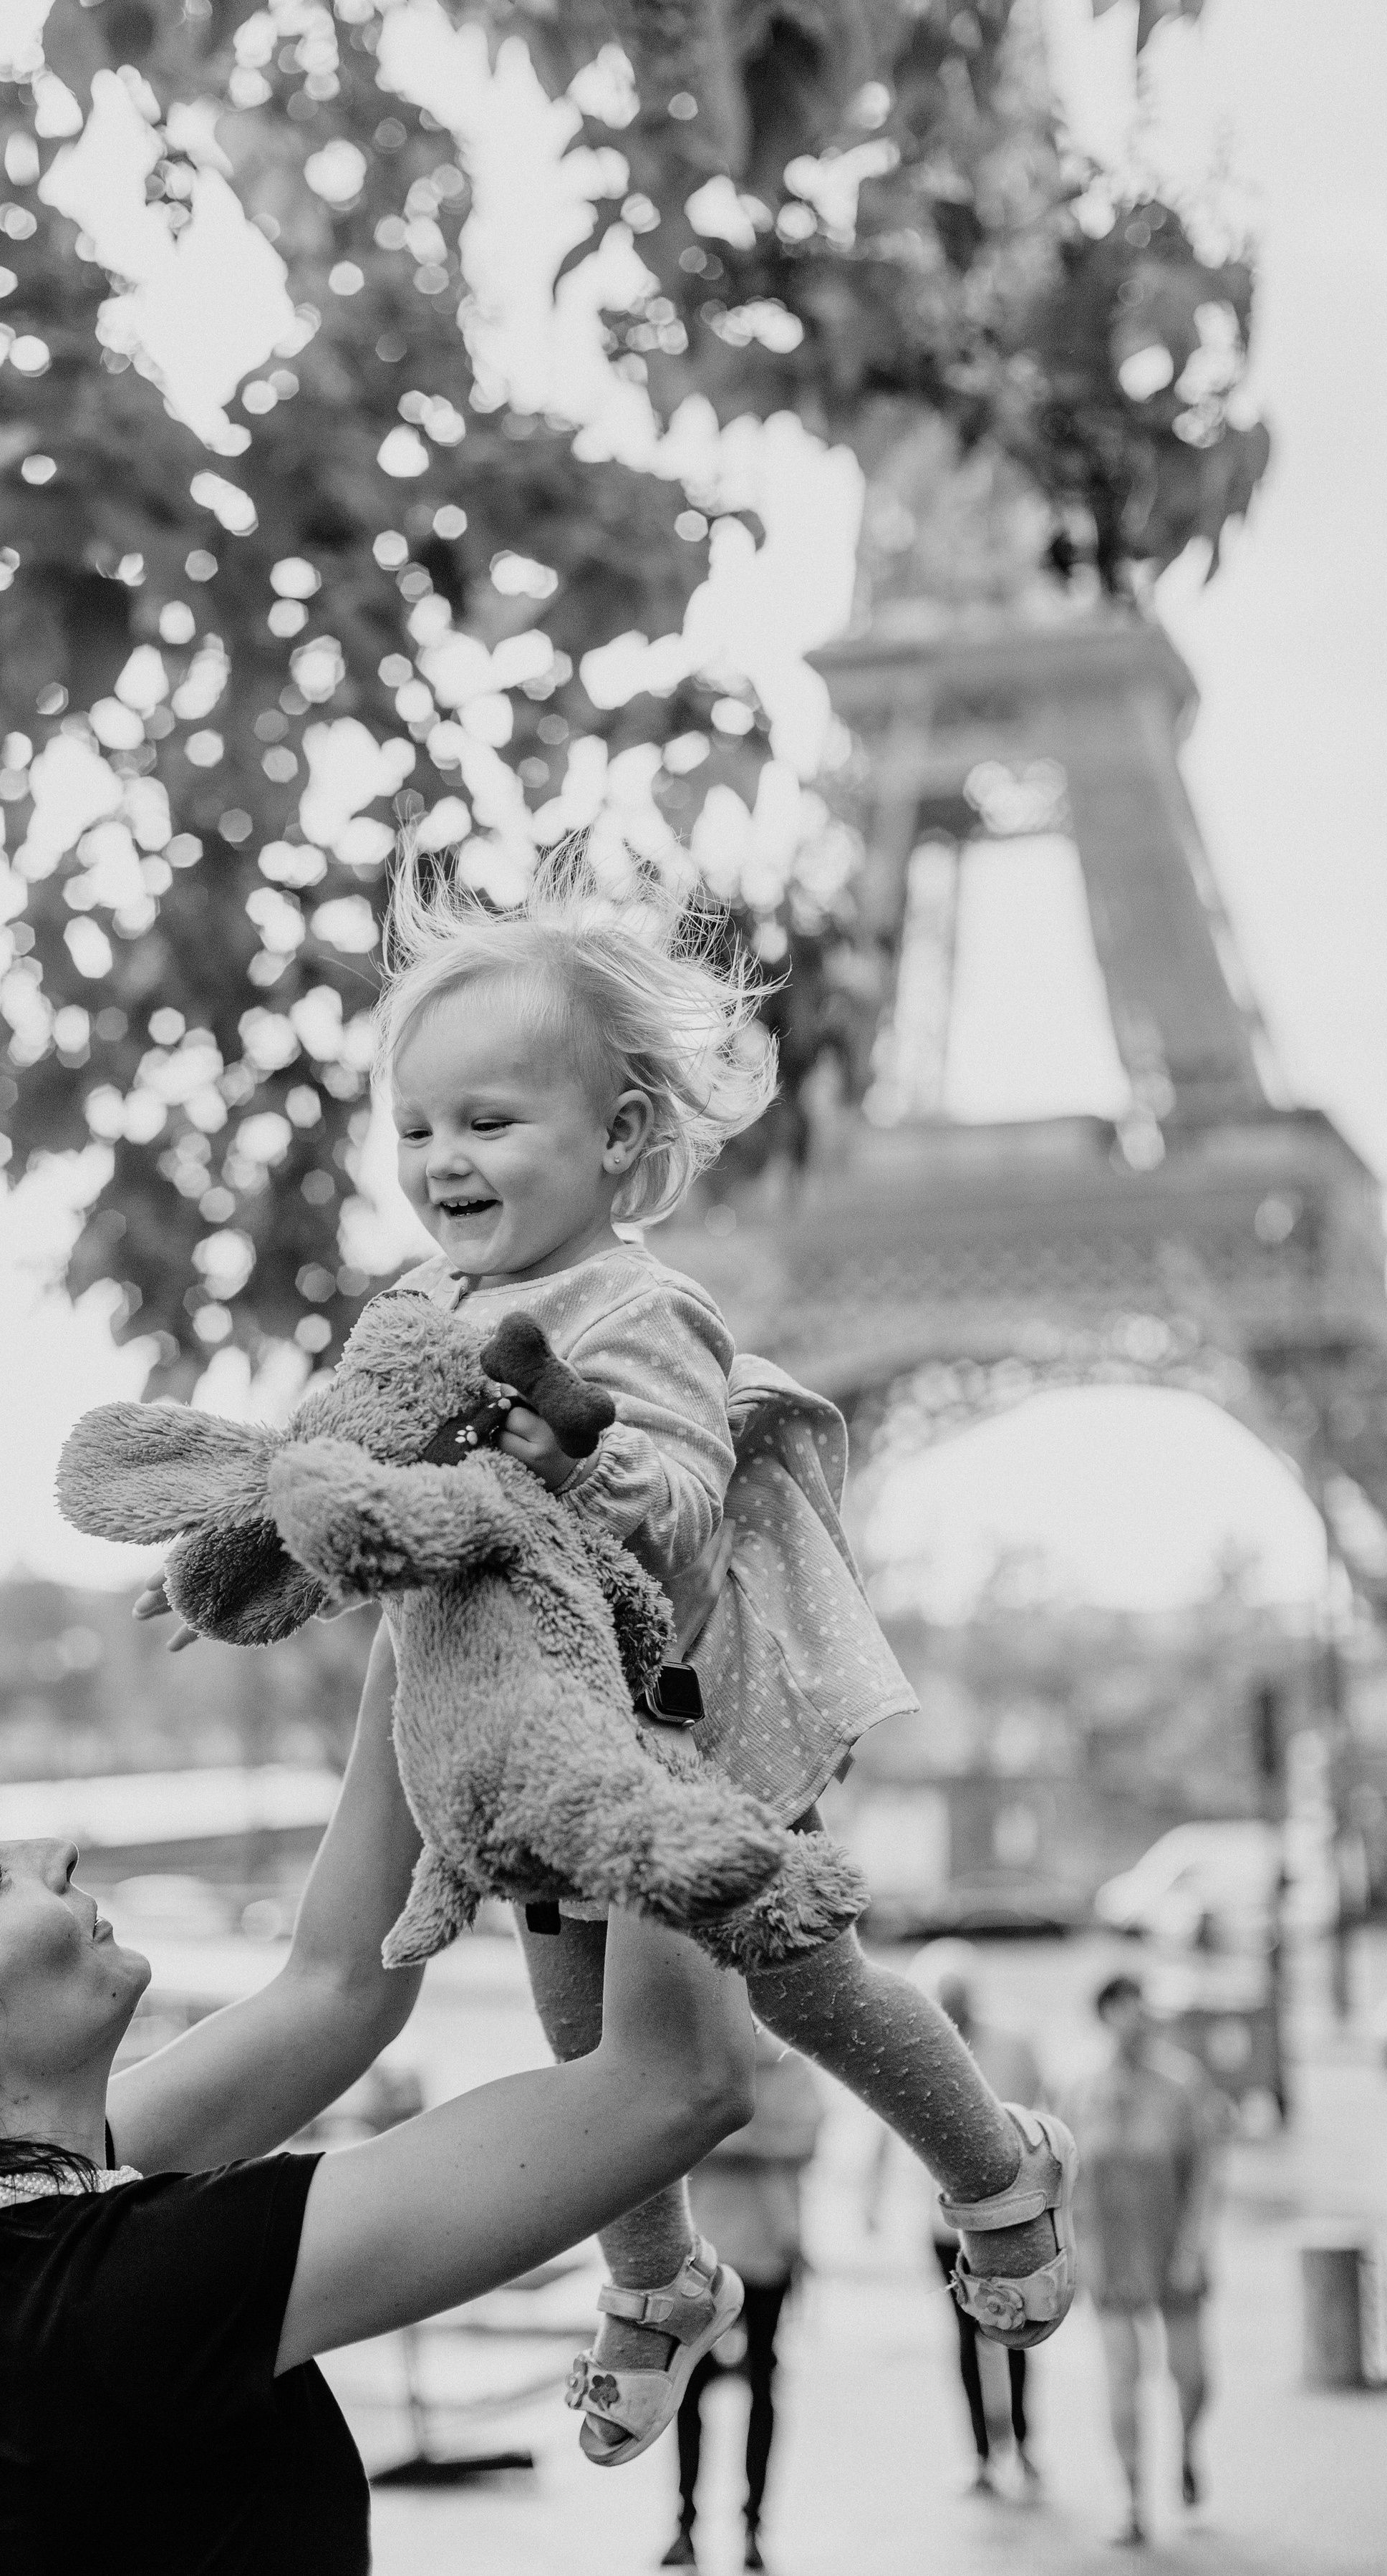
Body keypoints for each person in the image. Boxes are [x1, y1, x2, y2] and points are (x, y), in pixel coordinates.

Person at [377, 847, 1078, 2467]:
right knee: (575, 2026)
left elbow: (684, 1515)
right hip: (541, 1754)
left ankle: (993, 2166)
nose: (438, 1158)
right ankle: (654, 2277)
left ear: (621, 1137)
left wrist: (560, 1428)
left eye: (486, 1119)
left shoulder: (636, 1309)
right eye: (415, 1126)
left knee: (803, 1974)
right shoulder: (425, 1302)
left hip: (678, 1746)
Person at [0, 1626, 758, 2576]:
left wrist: (428, 1590)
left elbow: (341, 1987)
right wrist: (666, 1714)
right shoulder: (116, 2297)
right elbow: (671, 2087)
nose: (58, 1848)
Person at [866, 1941, 1046, 2495]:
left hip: (1009, 2219)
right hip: (948, 2224)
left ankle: (1022, 2441)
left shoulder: (1013, 2045)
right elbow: (884, 2121)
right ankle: (983, 2452)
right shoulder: (914, 2051)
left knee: (1017, 2330)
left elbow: (1044, 2121)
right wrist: (869, 2197)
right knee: (967, 2338)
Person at [1069, 1970, 1226, 2548]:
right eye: (1122, 2006)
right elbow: (1061, 2173)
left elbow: (1207, 2172)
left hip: (1171, 2245)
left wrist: (1196, 2244)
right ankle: (1132, 2499)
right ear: (1105, 2013)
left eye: (1141, 2005)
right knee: (1121, 2375)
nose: (1134, 2017)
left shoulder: (1182, 2082)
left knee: (1191, 2375)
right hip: (1108, 2251)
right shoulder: (1079, 2083)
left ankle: (1187, 2448)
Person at [663, 2032, 823, 2572]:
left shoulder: (785, 2063)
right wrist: (762, 2138)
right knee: (687, 2391)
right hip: (702, 2256)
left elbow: (806, 2142)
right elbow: (671, 2141)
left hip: (769, 2251)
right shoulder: (702, 2059)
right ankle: (685, 2523)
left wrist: (727, 2137)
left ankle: (753, 2523)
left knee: (764, 2387)